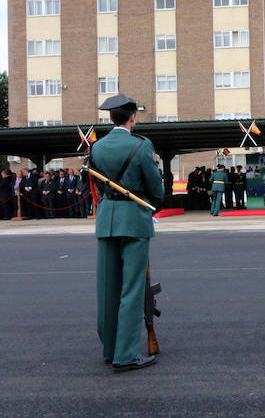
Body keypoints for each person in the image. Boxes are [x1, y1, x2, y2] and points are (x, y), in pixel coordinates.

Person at [91, 94, 164, 371]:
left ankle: (110, 349)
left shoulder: (97, 147)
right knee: (132, 289)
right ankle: (126, 354)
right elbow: (155, 187)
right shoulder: (141, 145)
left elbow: (98, 186)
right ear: (133, 117)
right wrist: (155, 204)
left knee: (107, 289)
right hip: (134, 219)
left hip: (107, 219)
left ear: (111, 118)